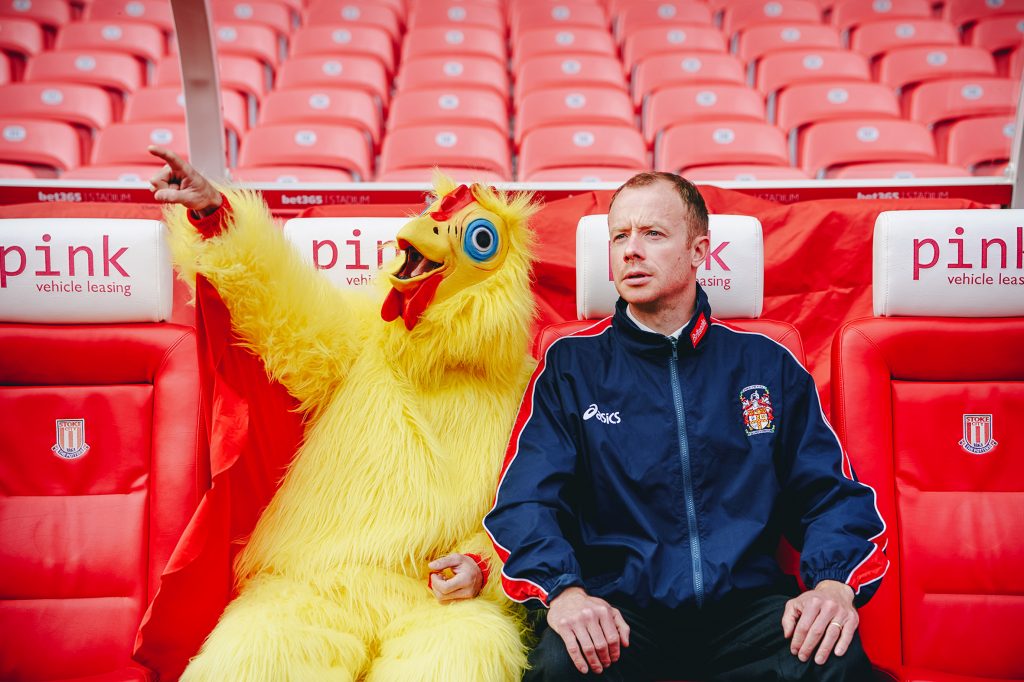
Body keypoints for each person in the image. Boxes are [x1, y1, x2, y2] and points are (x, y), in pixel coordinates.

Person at [484, 172, 887, 681]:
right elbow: (525, 503)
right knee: (562, 663)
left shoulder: (767, 364)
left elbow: (831, 496)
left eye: (652, 234)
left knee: (834, 655)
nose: (631, 250)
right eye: (620, 236)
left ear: (699, 251)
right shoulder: (571, 365)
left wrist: (832, 586)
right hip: (621, 618)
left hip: (746, 614)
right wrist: (565, 593)